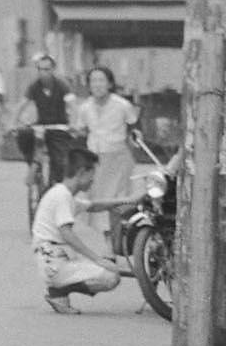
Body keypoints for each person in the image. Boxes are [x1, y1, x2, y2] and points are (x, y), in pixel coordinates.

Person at [31, 144, 123, 313]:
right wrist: (97, 259)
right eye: (91, 175)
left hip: (52, 261)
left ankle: (58, 292)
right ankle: (58, 290)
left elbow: (94, 206)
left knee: (107, 266)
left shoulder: (62, 194)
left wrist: (126, 200)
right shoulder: (62, 196)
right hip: (54, 263)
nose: (92, 181)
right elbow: (67, 233)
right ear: (81, 173)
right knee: (111, 277)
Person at [75, 65, 140, 207]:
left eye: (101, 80)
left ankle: (115, 228)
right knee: (96, 201)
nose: (97, 85)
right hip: (94, 159)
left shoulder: (122, 105)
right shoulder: (85, 108)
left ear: (110, 84)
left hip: (117, 159)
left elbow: (134, 126)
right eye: (93, 81)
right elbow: (81, 131)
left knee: (116, 200)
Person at [11, 52, 72, 170]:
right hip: (41, 125)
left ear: (53, 69)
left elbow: (73, 106)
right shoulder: (34, 86)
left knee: (59, 160)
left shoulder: (62, 85)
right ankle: (32, 164)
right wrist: (13, 123)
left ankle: (55, 179)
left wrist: (74, 124)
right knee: (24, 136)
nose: (42, 73)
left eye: (46, 69)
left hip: (60, 126)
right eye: (39, 69)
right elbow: (21, 105)